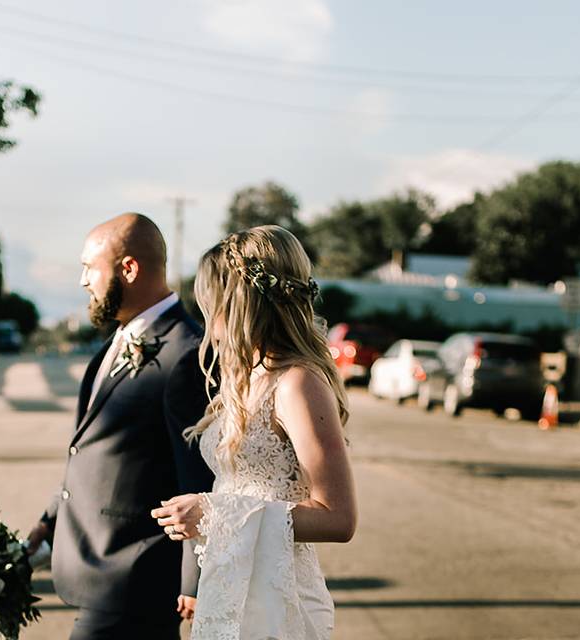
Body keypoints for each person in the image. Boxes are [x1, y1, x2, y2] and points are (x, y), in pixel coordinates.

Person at [151, 225, 357, 640]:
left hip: (274, 600)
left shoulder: (298, 383)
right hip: (229, 583)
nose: (206, 316)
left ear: (241, 302)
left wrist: (212, 513)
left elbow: (339, 518)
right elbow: (235, 483)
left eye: (212, 301)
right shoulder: (245, 376)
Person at [26, 213, 214, 640]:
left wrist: (196, 580)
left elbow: (199, 475)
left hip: (137, 575)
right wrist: (50, 520)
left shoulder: (186, 354)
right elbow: (98, 451)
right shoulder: (118, 340)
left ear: (128, 268)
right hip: (100, 573)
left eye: (89, 268)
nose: (82, 282)